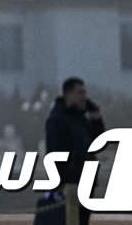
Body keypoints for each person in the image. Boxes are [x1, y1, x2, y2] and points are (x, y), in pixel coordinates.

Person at [42, 77, 106, 224]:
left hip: (85, 179)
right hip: (70, 184)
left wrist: (96, 117)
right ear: (68, 95)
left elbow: (97, 141)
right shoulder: (57, 119)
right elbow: (54, 153)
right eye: (80, 93)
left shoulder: (80, 118)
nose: (84, 97)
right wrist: (64, 180)